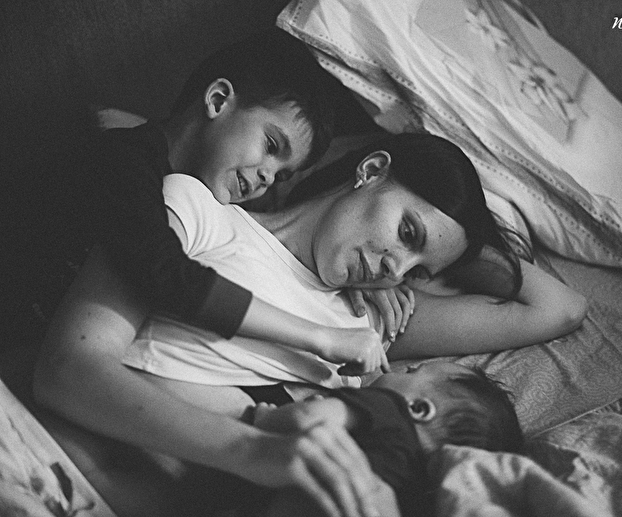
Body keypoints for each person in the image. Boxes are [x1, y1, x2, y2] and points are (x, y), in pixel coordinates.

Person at [34, 133, 588, 517]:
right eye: (408, 233)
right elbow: (66, 371)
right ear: (371, 171)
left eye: (418, 271)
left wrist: (458, 247)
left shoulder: (371, 326)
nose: (397, 268)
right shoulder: (199, 212)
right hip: (48, 457)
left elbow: (559, 308)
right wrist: (252, 453)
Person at [78, 26, 409, 376]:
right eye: (271, 146)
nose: (267, 177)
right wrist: (321, 337)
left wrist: (363, 280)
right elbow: (165, 273)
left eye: (281, 175)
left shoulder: (210, 202)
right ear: (218, 100)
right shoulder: (125, 161)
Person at [248, 361, 524, 517]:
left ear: (418, 408)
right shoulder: (414, 491)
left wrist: (266, 418)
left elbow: (306, 418)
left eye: (412, 371)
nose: (402, 368)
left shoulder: (389, 409)